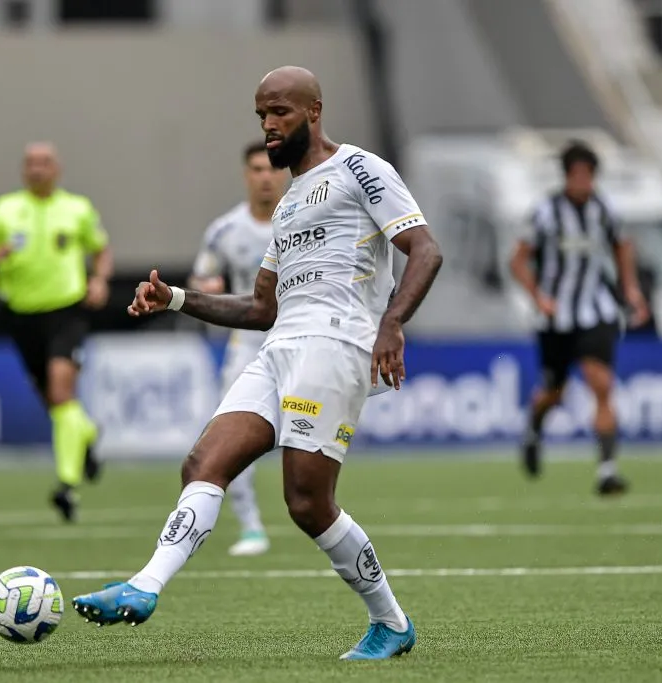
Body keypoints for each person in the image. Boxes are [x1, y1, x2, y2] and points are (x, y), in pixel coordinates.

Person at [72, 66, 443, 661]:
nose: (269, 126)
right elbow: (261, 306)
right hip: (279, 350)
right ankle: (144, 586)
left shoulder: (360, 168)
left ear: (314, 111)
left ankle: (391, 622)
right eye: (261, 116)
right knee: (203, 462)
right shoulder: (289, 203)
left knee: (306, 502)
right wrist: (176, 299)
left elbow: (425, 248)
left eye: (280, 113)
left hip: (335, 345)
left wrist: (392, 323)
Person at [0, 142, 112, 522]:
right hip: (21, 316)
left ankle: (66, 486)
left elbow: (101, 250)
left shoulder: (77, 209)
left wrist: (99, 280)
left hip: (66, 311)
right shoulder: (5, 210)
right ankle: (85, 434)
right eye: (31, 163)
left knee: (62, 392)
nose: (37, 169)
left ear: (57, 169)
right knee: (54, 402)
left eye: (44, 162)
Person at [509, 140, 649, 496]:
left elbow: (623, 246)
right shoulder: (545, 212)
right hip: (555, 318)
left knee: (600, 383)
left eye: (589, 175)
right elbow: (517, 261)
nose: (584, 181)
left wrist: (630, 289)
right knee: (554, 393)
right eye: (578, 175)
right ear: (567, 176)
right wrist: (539, 297)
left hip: (596, 311)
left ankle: (607, 469)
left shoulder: (605, 209)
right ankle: (534, 429)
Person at [188, 140, 289, 557]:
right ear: (246, 175)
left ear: (282, 172)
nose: (265, 177)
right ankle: (251, 527)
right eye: (256, 169)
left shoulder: (302, 220)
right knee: (229, 431)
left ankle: (320, 516)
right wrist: (205, 288)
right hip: (248, 342)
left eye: (271, 169)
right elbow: (201, 278)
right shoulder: (225, 231)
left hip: (301, 337)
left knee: (305, 434)